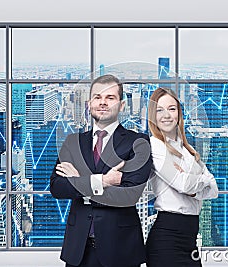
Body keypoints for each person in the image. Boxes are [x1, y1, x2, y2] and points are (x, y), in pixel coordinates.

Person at [50, 74, 152, 267]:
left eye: (110, 98)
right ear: (89, 104)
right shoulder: (73, 142)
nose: (102, 103)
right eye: (97, 97)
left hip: (120, 249)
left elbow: (129, 195)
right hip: (78, 250)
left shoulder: (138, 142)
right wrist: (103, 181)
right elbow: (57, 187)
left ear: (121, 105)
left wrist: (80, 182)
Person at [146, 87, 219, 267]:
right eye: (159, 110)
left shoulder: (187, 149)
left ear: (179, 112)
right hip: (167, 238)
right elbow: (184, 185)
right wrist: (201, 180)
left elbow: (214, 190)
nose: (166, 115)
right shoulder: (155, 146)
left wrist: (195, 185)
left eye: (172, 108)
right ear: (152, 116)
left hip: (189, 239)